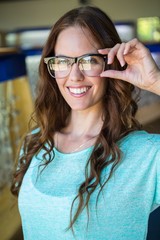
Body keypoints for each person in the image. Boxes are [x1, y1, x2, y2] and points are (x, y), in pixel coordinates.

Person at [11, 6, 160, 240]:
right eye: (62, 61)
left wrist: (155, 81)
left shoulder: (148, 154)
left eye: (89, 60)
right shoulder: (36, 142)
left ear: (110, 62)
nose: (75, 76)